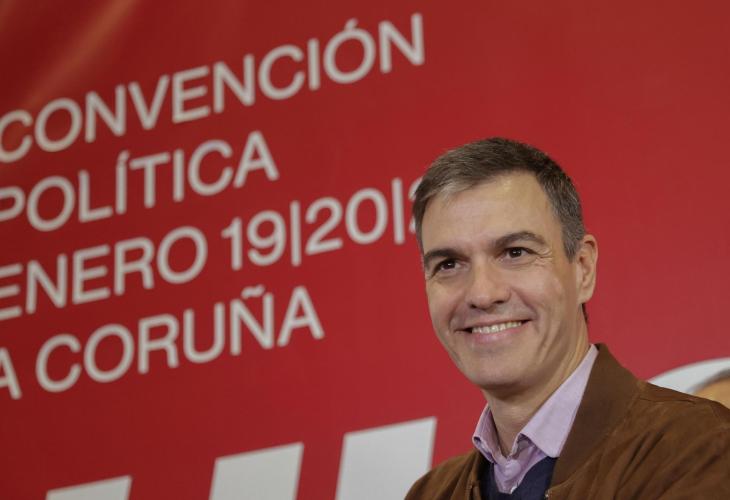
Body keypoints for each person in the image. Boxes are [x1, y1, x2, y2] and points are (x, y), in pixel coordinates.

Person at [406, 138, 730, 499]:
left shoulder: (698, 447)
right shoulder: (431, 493)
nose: (481, 294)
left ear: (583, 269)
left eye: (515, 252)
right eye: (449, 264)